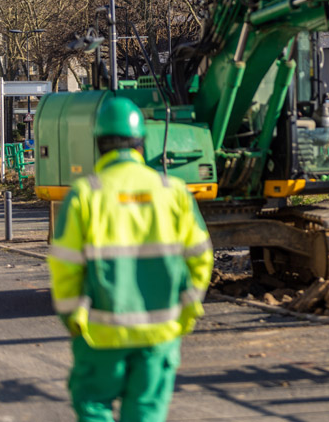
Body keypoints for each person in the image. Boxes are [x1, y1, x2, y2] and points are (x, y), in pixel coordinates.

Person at [48, 96, 214, 422]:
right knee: (145, 413)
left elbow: (64, 266)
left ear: (99, 145)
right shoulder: (174, 191)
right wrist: (187, 309)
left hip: (100, 334)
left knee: (93, 406)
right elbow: (200, 257)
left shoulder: (85, 195)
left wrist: (72, 319)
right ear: (141, 145)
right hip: (160, 334)